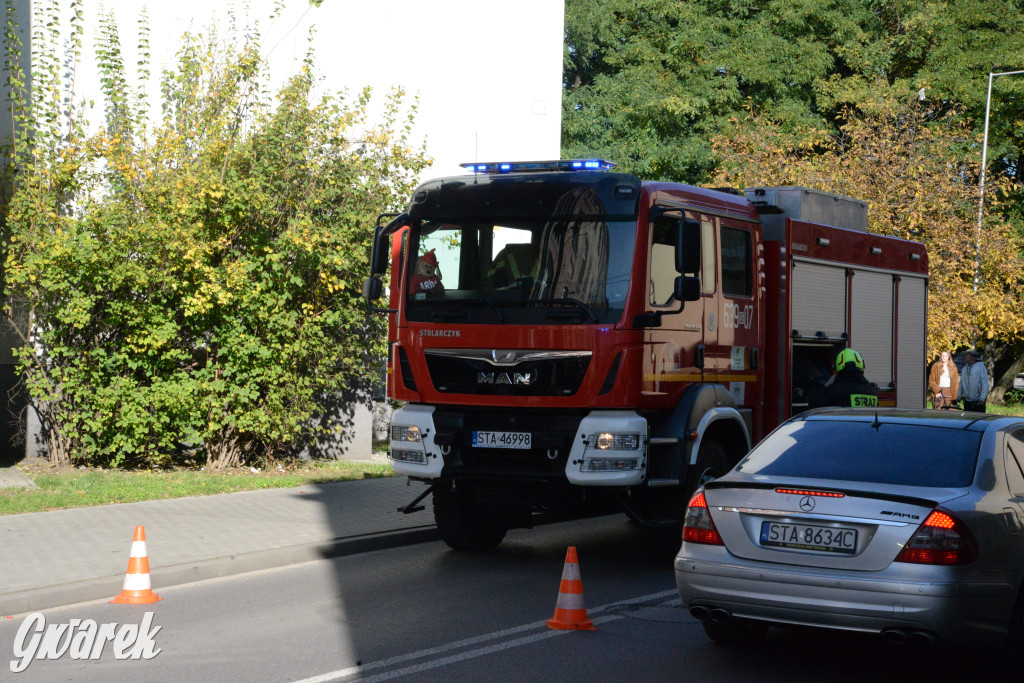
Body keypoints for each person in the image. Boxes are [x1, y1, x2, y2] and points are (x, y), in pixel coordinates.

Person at [807, 348, 878, 408]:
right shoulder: (871, 391)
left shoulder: (836, 390)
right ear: (861, 365)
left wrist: (826, 385)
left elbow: (813, 403)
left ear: (837, 367)